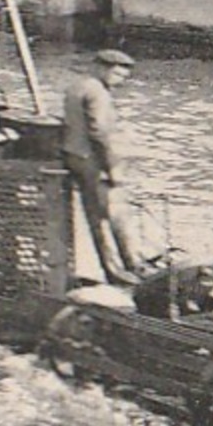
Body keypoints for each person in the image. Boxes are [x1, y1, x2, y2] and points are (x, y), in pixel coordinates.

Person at [61, 49, 145, 285]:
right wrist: (112, 168)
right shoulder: (98, 92)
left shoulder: (76, 86)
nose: (119, 81)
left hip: (73, 156)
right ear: (103, 68)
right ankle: (129, 268)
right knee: (114, 214)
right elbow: (99, 132)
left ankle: (113, 269)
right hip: (92, 161)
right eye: (117, 75)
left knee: (95, 217)